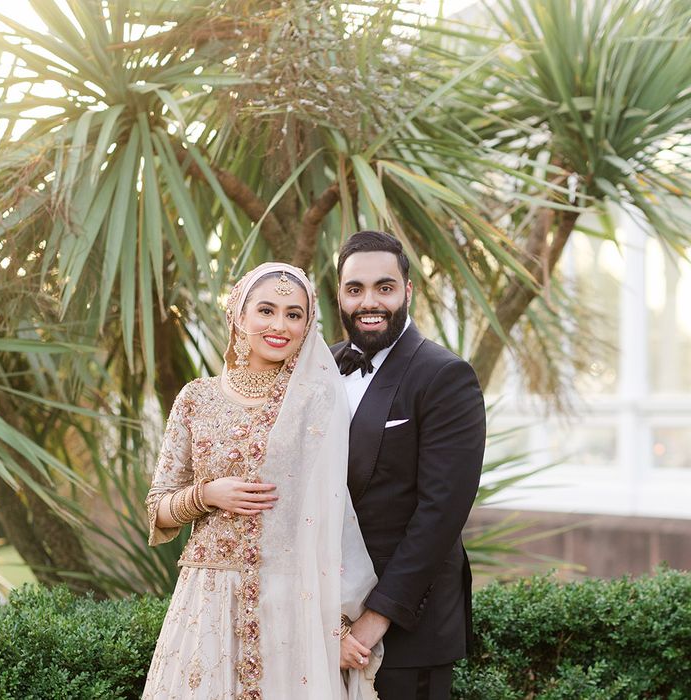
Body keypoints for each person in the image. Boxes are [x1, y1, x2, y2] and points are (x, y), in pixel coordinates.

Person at [143, 262, 381, 700]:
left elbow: (331, 518)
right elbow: (157, 506)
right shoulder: (197, 397)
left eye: (294, 314)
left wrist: (337, 624)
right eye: (266, 310)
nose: (280, 325)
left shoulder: (316, 401)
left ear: (308, 325)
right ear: (239, 314)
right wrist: (206, 495)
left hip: (288, 597)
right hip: (207, 599)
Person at [331, 231, 486, 700]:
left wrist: (375, 620)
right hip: (327, 626)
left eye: (384, 287)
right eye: (355, 289)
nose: (369, 302)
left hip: (404, 632)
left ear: (408, 291)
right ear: (338, 294)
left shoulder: (444, 375)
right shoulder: (321, 367)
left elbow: (440, 514)